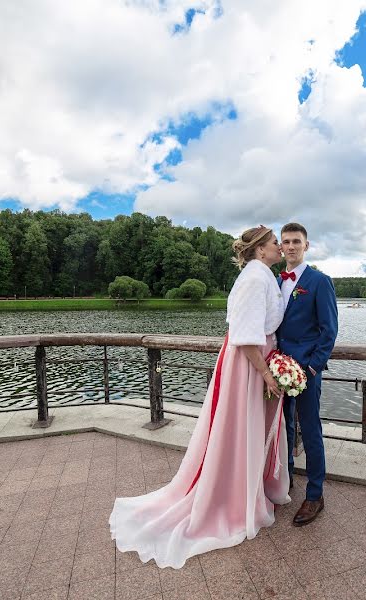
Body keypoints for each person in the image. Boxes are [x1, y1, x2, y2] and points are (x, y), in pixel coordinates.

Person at [109, 225, 290, 569]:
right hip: (249, 362)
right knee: (239, 427)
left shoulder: (262, 274)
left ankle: (243, 490)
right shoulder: (255, 278)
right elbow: (245, 337)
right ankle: (231, 498)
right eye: (274, 243)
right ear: (260, 250)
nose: (280, 247)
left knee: (245, 428)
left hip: (255, 357)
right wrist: (266, 372)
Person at [277, 222, 338, 526]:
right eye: (286, 241)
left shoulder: (319, 281)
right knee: (283, 426)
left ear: (306, 245)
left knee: (310, 430)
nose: (290, 246)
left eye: (296, 241)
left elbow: (330, 331)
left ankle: (315, 495)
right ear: (280, 246)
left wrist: (313, 366)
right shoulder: (275, 281)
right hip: (277, 369)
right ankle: (285, 480)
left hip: (307, 372)